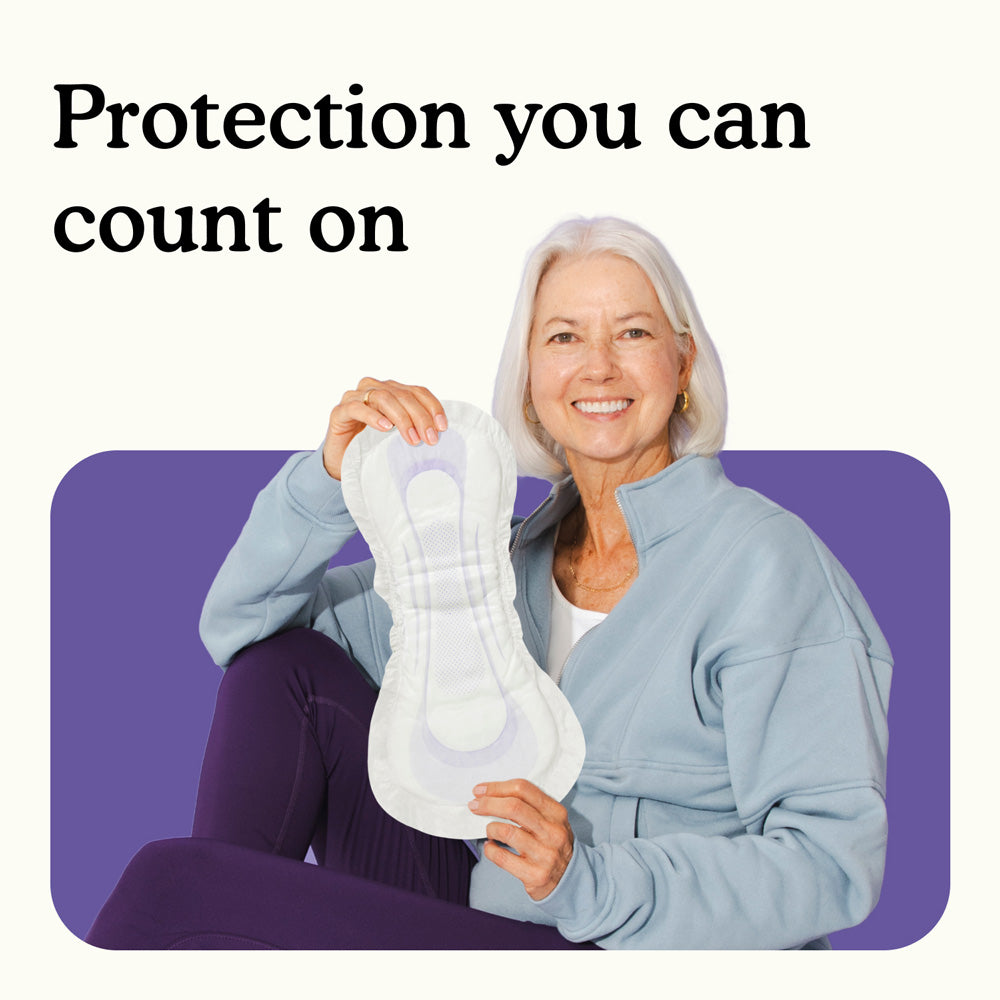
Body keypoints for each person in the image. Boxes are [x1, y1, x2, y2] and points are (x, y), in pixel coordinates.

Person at [86, 217, 891, 950]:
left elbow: (832, 863)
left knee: (173, 887)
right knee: (285, 671)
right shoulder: (491, 567)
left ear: (682, 364)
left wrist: (588, 881)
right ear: (531, 379)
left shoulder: (767, 566)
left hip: (627, 953)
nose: (598, 366)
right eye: (565, 336)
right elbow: (244, 630)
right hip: (481, 912)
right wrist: (332, 475)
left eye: (634, 332)